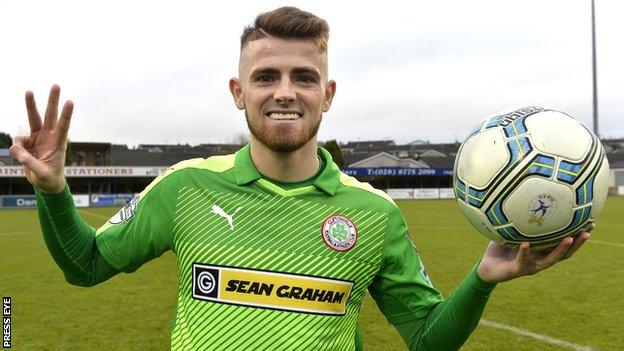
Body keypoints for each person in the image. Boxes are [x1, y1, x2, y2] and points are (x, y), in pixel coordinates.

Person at [10, 6, 592, 351]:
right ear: (239, 92)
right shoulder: (184, 187)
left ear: (328, 93)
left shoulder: (374, 214)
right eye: (266, 76)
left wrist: (483, 278)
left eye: (303, 77)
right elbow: (84, 266)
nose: (284, 91)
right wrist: (54, 190)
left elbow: (425, 338)